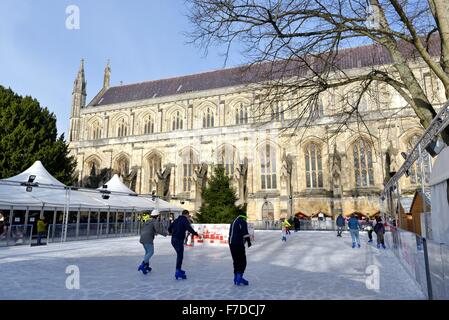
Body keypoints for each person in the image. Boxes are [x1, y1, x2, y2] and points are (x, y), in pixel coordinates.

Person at [168, 210, 199, 280]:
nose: (188, 217)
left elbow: (169, 228)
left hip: (173, 240)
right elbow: (189, 228)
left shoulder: (176, 220)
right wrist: (196, 234)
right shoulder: (185, 220)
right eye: (188, 215)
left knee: (179, 255)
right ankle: (178, 271)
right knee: (180, 255)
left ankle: (178, 269)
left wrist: (171, 232)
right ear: (186, 214)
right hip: (178, 240)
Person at [138, 210, 168, 275]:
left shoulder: (148, 221)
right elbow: (158, 229)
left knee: (147, 252)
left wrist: (153, 232)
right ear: (157, 216)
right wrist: (165, 233)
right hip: (148, 238)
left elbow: (146, 228)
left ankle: (146, 266)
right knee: (151, 252)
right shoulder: (155, 221)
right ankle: (143, 265)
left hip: (142, 237)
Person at [229, 213, 251, 285]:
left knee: (236, 261)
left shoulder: (233, 221)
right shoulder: (242, 221)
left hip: (231, 244)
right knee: (242, 261)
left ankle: (235, 277)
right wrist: (248, 241)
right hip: (238, 243)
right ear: (244, 217)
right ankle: (239, 277)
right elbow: (245, 232)